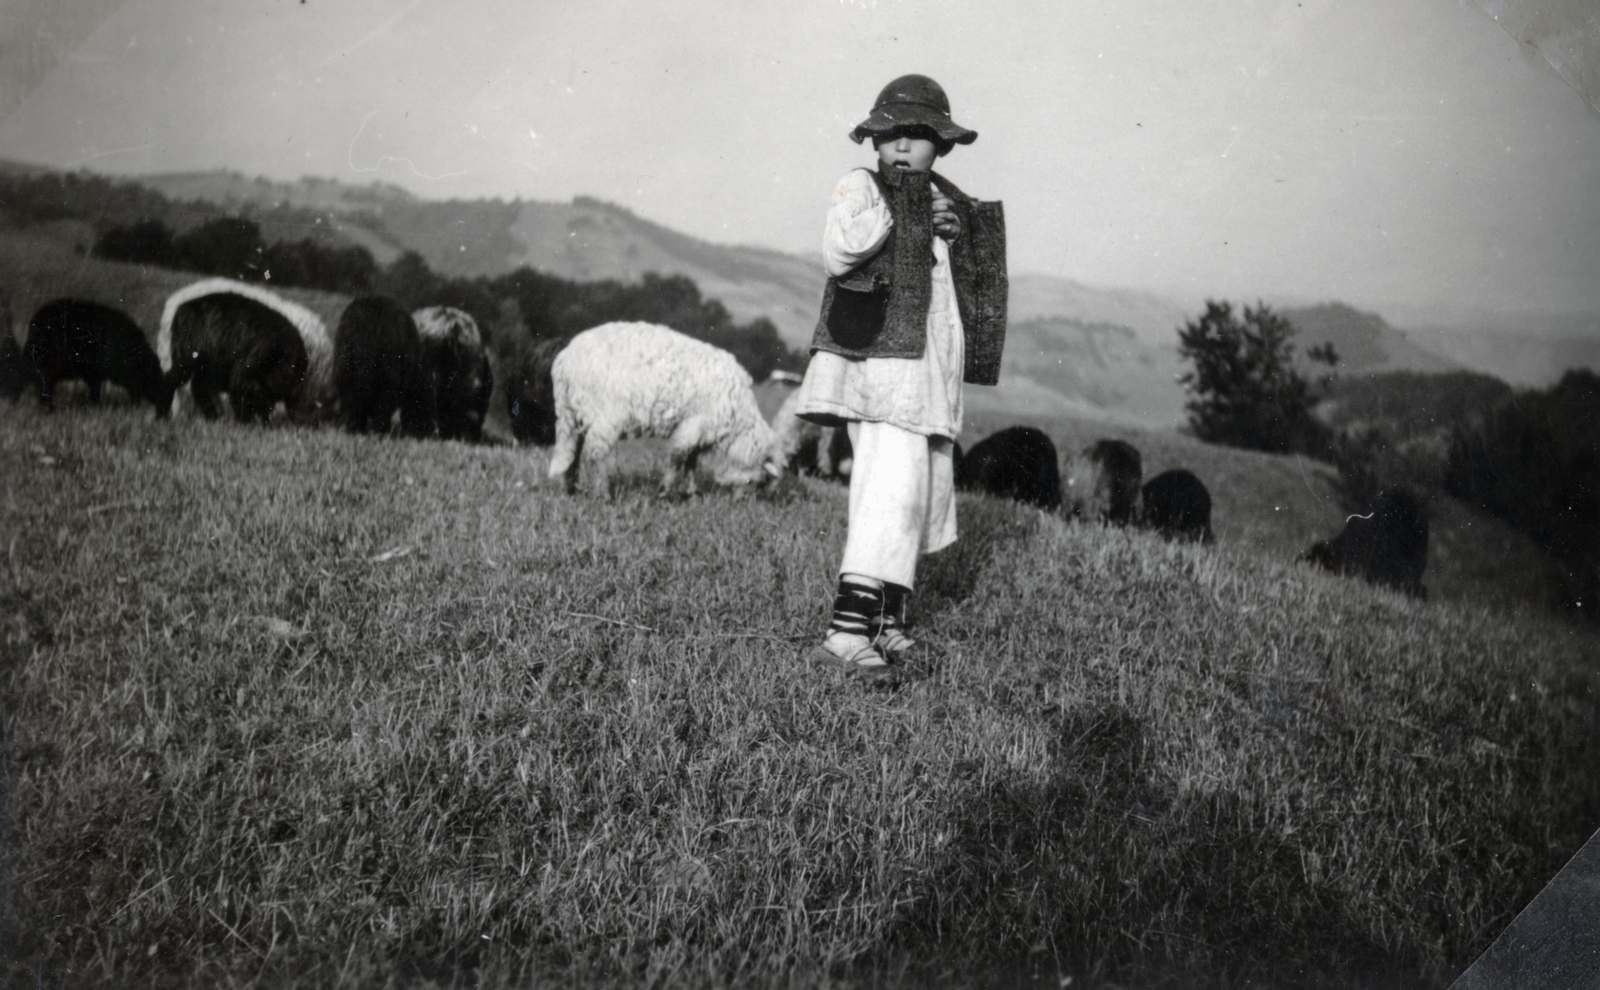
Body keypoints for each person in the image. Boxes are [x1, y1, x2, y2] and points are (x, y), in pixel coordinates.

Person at [794, 73, 1008, 677]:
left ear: (941, 144)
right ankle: (845, 632)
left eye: (918, 136)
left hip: (926, 377)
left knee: (918, 493)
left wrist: (952, 230)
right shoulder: (860, 188)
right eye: (891, 136)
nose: (904, 148)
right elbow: (840, 251)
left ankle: (886, 622)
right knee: (889, 492)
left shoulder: (942, 202)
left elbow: (959, 291)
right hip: (881, 374)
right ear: (874, 142)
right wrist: (911, 215)